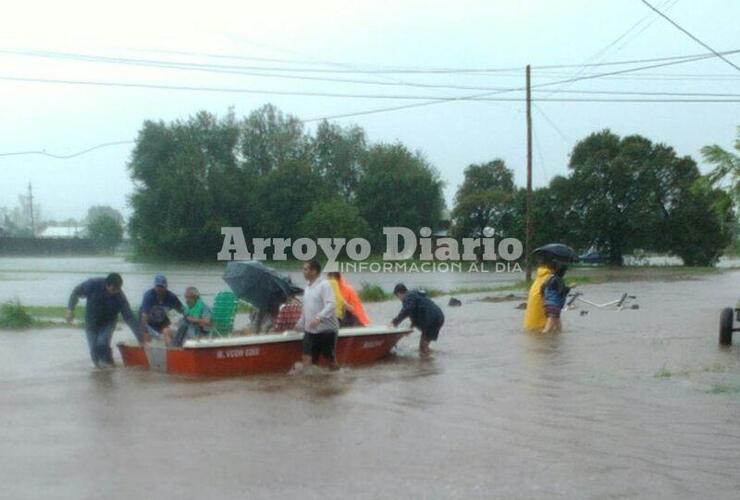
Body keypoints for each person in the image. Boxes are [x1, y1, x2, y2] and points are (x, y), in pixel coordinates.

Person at [66, 272, 143, 368]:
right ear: (107, 285)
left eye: (118, 289)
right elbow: (76, 292)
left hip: (108, 322)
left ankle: (110, 365)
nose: (115, 292)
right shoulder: (93, 284)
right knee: (94, 350)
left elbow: (129, 317)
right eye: (113, 289)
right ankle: (99, 371)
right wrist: (70, 309)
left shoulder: (119, 296)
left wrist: (140, 338)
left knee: (102, 342)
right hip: (91, 321)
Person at [294, 259, 339, 369]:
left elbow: (331, 304)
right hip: (310, 330)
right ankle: (310, 383)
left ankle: (337, 377)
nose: (303, 272)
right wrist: (300, 323)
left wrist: (319, 317)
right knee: (306, 359)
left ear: (313, 271)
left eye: (305, 269)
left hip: (326, 329)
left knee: (329, 360)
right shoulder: (308, 287)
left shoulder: (325, 285)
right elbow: (306, 308)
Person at [391, 283, 445, 355]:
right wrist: (410, 328)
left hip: (432, 319)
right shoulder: (414, 296)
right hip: (437, 317)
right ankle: (434, 357)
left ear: (399, 293)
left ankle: (429, 363)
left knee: (423, 347)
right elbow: (416, 315)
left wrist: (394, 322)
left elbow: (406, 310)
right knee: (422, 347)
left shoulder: (408, 297)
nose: (399, 299)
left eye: (397, 296)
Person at [139, 274, 185, 345]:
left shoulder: (171, 297)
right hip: (149, 323)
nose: (159, 289)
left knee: (173, 325)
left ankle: (170, 350)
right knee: (146, 336)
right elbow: (144, 316)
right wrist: (144, 331)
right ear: (154, 286)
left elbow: (183, 310)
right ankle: (146, 346)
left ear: (166, 286)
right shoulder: (149, 296)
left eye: (162, 286)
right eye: (158, 286)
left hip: (163, 323)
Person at [523, 261, 554, 332]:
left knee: (533, 327)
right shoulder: (550, 276)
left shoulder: (539, 275)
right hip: (543, 301)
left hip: (534, 302)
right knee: (549, 322)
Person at [541, 263, 571, 334]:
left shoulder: (548, 279)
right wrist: (570, 287)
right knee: (551, 320)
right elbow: (561, 291)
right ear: (563, 272)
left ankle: (559, 334)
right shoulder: (559, 280)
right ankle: (543, 335)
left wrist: (545, 298)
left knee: (557, 320)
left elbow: (542, 289)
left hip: (547, 304)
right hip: (554, 304)